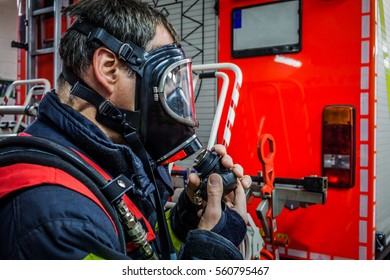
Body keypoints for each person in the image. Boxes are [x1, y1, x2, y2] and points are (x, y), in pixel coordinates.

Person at [0, 0, 252, 260]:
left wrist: (185, 219)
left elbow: (138, 247)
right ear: (108, 69)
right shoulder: (56, 219)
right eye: (163, 80)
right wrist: (213, 252)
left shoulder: (96, 161)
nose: (172, 98)